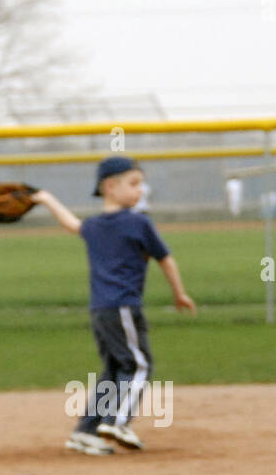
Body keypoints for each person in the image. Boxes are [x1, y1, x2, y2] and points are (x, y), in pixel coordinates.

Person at [31, 156, 196, 455]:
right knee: (137, 365)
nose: (140, 190)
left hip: (100, 311)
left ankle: (85, 433)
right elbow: (165, 258)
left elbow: (71, 224)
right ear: (109, 187)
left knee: (113, 370)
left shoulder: (93, 225)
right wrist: (180, 293)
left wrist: (45, 198)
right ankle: (117, 422)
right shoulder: (138, 222)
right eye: (133, 184)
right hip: (123, 308)